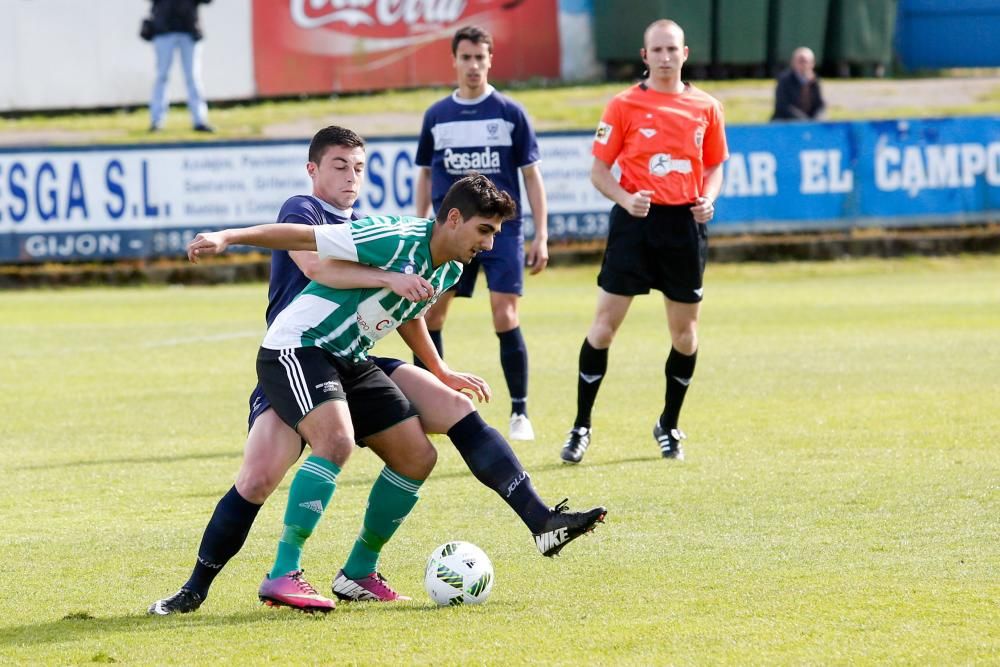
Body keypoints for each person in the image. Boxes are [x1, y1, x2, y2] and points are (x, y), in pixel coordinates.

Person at [148, 135, 605, 614]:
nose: (489, 244)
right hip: (298, 349)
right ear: (453, 219)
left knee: (422, 449)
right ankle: (261, 578)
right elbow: (307, 250)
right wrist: (227, 237)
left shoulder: (448, 268)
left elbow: (408, 311)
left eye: (358, 168)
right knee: (276, 469)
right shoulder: (383, 232)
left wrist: (441, 369)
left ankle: (533, 523)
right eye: (484, 231)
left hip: (350, 355)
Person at [559, 19, 728, 465]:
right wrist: (624, 198)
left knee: (686, 336)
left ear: (685, 54)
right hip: (635, 224)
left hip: (684, 229)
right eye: (658, 49)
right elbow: (598, 172)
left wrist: (708, 199)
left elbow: (714, 167)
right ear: (645, 55)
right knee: (603, 328)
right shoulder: (622, 105)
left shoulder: (707, 107)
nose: (666, 57)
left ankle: (669, 425)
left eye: (673, 49)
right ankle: (581, 426)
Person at [414, 25, 550, 442]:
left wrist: (541, 234)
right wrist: (420, 227)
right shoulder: (437, 116)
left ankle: (519, 413)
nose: (473, 65)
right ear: (454, 61)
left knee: (504, 315)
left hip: (501, 235)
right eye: (466, 57)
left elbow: (532, 178)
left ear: (490, 60)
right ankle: (427, 406)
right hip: (449, 236)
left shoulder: (510, 113)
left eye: (480, 57)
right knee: (432, 314)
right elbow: (424, 174)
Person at [148, 0, 214, 133]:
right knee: (162, 76)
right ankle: (157, 121)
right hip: (164, 28)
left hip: (189, 28)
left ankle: (200, 120)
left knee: (193, 77)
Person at [771, 47, 826, 121]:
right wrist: (804, 120)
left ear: (812, 63)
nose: (803, 65)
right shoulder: (784, 79)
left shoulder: (815, 81)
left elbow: (820, 105)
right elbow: (783, 105)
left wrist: (816, 119)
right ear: (793, 62)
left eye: (805, 61)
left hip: (810, 122)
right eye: (800, 61)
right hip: (786, 121)